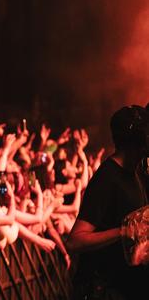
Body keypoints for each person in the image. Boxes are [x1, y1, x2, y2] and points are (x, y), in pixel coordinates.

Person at [67, 105, 149, 299]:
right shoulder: (107, 178)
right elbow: (74, 241)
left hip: (126, 286)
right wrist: (122, 231)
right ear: (136, 140)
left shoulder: (136, 173)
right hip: (104, 289)